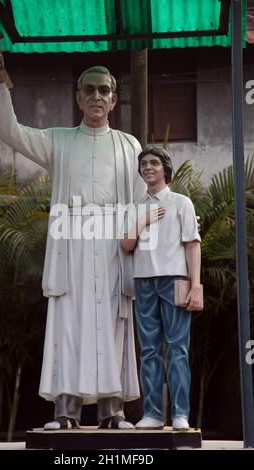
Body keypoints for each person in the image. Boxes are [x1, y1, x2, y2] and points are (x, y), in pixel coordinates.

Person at [0, 44, 146, 430]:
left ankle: (113, 411)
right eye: (88, 89)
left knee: (112, 322)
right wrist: (0, 83)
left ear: (114, 98)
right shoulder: (57, 139)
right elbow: (10, 131)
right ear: (77, 97)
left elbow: (143, 204)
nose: (95, 96)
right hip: (70, 243)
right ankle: (66, 411)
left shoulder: (130, 146)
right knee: (69, 322)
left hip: (112, 243)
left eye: (103, 90)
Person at [121, 146, 202, 431]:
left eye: (154, 163)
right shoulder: (135, 207)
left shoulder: (182, 203)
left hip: (175, 281)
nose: (148, 167)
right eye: (143, 164)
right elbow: (126, 245)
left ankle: (180, 414)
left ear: (165, 168)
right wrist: (143, 220)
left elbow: (192, 245)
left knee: (178, 349)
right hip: (144, 282)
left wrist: (196, 285)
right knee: (150, 351)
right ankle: (153, 413)